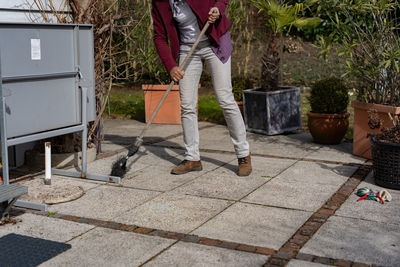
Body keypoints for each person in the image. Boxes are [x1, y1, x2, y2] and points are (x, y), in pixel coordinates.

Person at [151, 0, 252, 176]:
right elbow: (159, 37)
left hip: (214, 41)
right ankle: (192, 158)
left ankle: (243, 154)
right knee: (187, 105)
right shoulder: (158, 2)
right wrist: (171, 66)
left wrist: (218, 9)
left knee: (225, 99)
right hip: (187, 47)